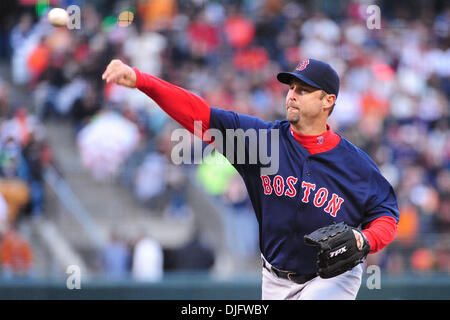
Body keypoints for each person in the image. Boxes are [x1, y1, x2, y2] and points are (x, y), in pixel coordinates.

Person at [102, 58, 399, 300]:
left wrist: (365, 239)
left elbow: (386, 214)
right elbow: (200, 113)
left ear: (328, 101)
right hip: (274, 278)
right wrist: (142, 81)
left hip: (333, 277)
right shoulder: (261, 142)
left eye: (304, 90)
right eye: (291, 87)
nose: (292, 94)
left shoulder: (354, 164)